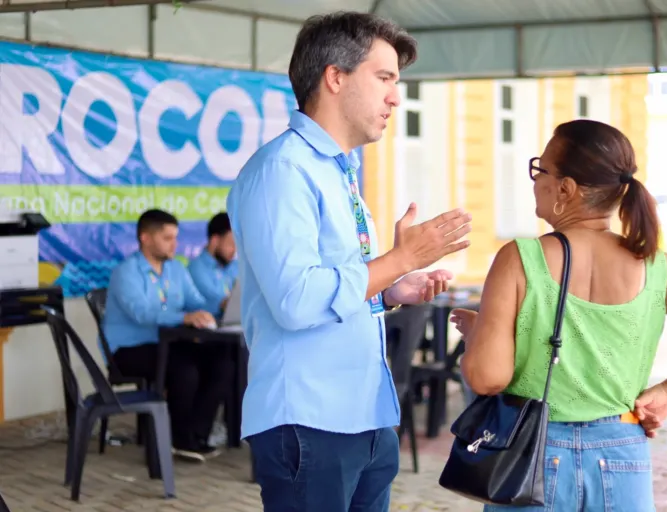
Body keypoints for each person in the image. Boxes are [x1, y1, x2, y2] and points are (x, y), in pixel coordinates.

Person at [451, 119, 667, 511]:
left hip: (531, 458)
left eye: (541, 170)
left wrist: (481, 332)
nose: (535, 181)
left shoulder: (520, 259)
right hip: (623, 456)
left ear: (565, 188)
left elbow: (487, 377)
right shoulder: (657, 268)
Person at [226, 11, 472, 512]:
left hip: (364, 413)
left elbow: (335, 284)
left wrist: (389, 288)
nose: (394, 97)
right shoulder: (283, 170)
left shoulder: (339, 170)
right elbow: (296, 301)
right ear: (334, 78)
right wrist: (400, 257)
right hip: (310, 420)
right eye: (383, 78)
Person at [103, 209, 234, 461]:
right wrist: (183, 317)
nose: (175, 244)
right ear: (146, 238)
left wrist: (217, 308)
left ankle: (197, 435)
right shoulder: (126, 272)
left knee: (222, 363)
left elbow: (196, 302)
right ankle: (179, 439)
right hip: (128, 350)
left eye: (176, 237)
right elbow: (141, 313)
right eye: (167, 238)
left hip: (168, 345)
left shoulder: (176, 270)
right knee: (183, 368)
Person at [188, 212, 238, 318]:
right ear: (215, 241)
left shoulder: (235, 266)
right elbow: (217, 302)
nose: (235, 250)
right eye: (231, 244)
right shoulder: (196, 269)